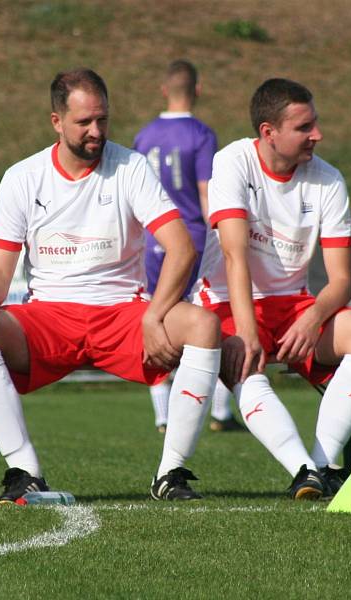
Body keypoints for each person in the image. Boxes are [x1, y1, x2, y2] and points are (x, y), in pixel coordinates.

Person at [0, 68, 222, 502]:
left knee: (204, 327)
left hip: (123, 313)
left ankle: (170, 473)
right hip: (49, 316)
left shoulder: (131, 166)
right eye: (84, 122)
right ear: (56, 122)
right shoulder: (22, 177)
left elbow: (181, 247)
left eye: (102, 119)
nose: (96, 131)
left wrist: (155, 314)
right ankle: (24, 472)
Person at [193, 78, 351, 500]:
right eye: (304, 127)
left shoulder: (329, 180)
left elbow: (342, 282)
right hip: (229, 300)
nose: (317, 135)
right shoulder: (233, 161)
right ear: (268, 132)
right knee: (243, 356)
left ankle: (317, 467)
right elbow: (234, 257)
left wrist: (313, 316)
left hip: (296, 305)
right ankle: (302, 468)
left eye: (314, 124)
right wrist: (246, 330)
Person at [134, 60, 243, 434]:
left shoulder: (144, 136)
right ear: (198, 90)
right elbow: (205, 192)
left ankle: (162, 415)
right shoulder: (201, 134)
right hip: (191, 239)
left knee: (156, 319)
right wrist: (222, 235)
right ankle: (219, 413)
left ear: (164, 90)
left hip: (152, 241)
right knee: (207, 319)